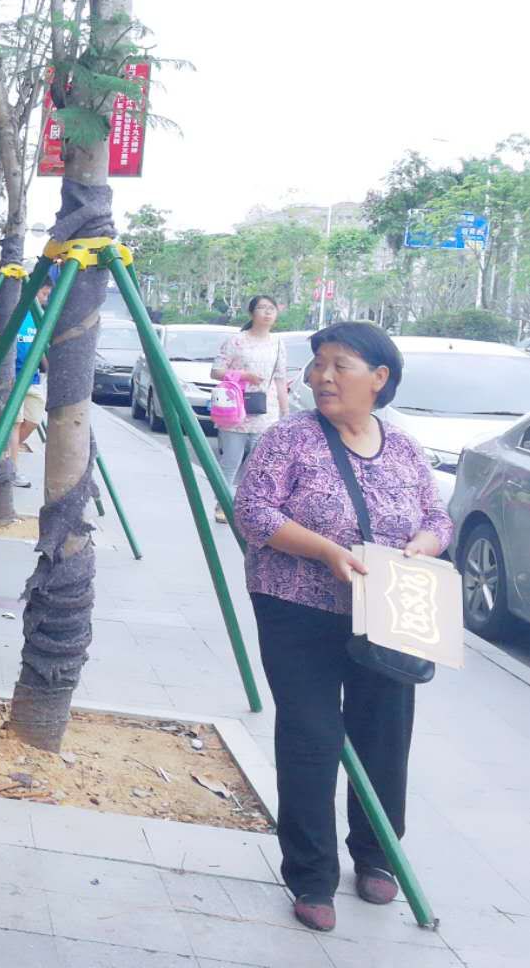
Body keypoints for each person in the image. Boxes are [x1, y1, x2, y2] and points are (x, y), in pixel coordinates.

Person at [232, 321, 451, 934]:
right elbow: (252, 511)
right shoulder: (289, 439)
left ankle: (377, 855)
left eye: (341, 366)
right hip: (297, 608)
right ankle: (310, 875)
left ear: (380, 379)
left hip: (388, 613)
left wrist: (424, 545)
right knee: (310, 738)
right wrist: (327, 551)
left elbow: (438, 516)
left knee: (385, 733)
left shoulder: (404, 448)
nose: (323, 377)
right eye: (318, 365)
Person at [210, 294, 291, 522]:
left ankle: (244, 504)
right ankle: (222, 505)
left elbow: (280, 379)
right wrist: (243, 376)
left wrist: (285, 413)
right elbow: (216, 371)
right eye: (262, 308)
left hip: (266, 410)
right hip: (235, 409)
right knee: (231, 461)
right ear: (252, 313)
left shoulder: (278, 343)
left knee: (258, 462)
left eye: (271, 309)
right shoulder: (237, 341)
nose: (267, 312)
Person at [0, 285, 50, 488]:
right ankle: (11, 469)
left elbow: (42, 346)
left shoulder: (40, 316)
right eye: (43, 293)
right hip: (11, 377)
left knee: (33, 420)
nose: (45, 298)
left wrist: (49, 368)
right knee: (15, 422)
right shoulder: (9, 312)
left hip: (32, 378)